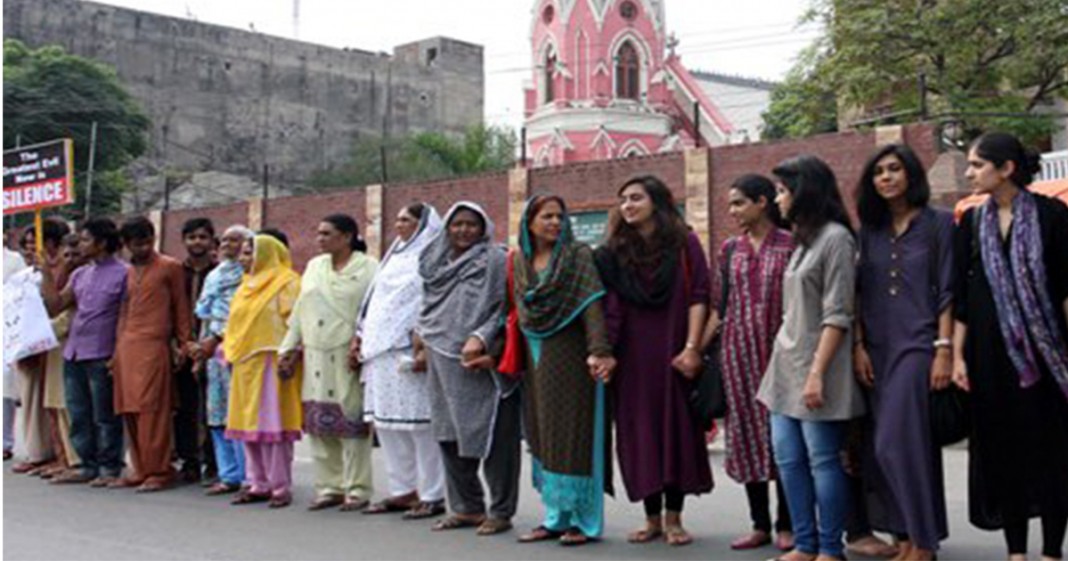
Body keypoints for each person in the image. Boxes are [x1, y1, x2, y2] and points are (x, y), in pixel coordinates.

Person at [953, 132, 1068, 561]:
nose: (970, 173)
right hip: (990, 358)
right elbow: (962, 297)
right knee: (1003, 455)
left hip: (1047, 356)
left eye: (977, 165)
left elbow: (1064, 288)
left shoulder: (1051, 215)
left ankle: (1052, 551)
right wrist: (958, 355)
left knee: (1051, 453)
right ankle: (1015, 551)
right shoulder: (972, 222)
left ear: (1006, 169)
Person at [757, 155, 866, 561]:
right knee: (788, 460)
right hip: (784, 366)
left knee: (822, 460)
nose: (776, 199)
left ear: (805, 192)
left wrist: (817, 374)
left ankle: (827, 548)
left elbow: (838, 312)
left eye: (783, 191)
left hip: (819, 366)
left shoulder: (836, 238)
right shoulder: (802, 239)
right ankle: (803, 544)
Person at [594, 175, 713, 547]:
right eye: (623, 200)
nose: (627, 206)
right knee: (639, 433)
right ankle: (652, 519)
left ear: (657, 202)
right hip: (631, 358)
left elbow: (700, 296)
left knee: (676, 430)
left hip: (675, 352)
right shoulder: (613, 251)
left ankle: (675, 518)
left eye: (636, 198)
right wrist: (606, 352)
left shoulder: (684, 243)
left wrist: (692, 347)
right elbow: (608, 305)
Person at [853, 144, 951, 561]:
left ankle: (923, 541)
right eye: (878, 172)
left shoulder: (939, 224)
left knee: (896, 442)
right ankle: (906, 537)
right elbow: (856, 294)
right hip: (876, 347)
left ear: (911, 174)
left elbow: (947, 289)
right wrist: (858, 346)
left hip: (918, 343)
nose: (886, 178)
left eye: (894, 169)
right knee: (887, 445)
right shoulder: (868, 231)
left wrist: (944, 349)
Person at [512, 195, 616, 546]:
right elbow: (520, 312)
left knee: (575, 435)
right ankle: (554, 517)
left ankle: (584, 521)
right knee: (544, 434)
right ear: (529, 222)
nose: (555, 222)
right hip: (534, 356)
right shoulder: (520, 262)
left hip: (572, 355)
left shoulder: (577, 256)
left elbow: (592, 306)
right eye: (546, 216)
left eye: (559, 216)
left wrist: (599, 351)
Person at [701, 174, 796, 552]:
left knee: (785, 442)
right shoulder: (729, 250)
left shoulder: (791, 245)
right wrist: (696, 349)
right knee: (746, 439)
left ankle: (788, 523)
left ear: (762, 201)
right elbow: (719, 307)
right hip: (738, 357)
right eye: (730, 204)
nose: (733, 211)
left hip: (782, 356)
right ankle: (759, 524)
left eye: (739, 203)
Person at [416, 202, 520, 536]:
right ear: (446, 227)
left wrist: (480, 336)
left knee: (494, 439)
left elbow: (504, 307)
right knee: (449, 435)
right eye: (457, 224)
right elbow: (428, 305)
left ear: (484, 228)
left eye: (471, 225)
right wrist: (421, 335)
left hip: (480, 361)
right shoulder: (434, 263)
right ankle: (466, 508)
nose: (464, 230)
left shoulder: (496, 260)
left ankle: (501, 511)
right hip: (441, 359)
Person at [279, 214, 378, 511]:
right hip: (315, 351)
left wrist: (363, 343)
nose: (319, 238)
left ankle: (357, 489)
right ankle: (329, 486)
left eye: (326, 233)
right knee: (320, 422)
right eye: (318, 233)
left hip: (348, 352)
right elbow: (300, 310)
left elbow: (375, 310)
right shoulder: (314, 267)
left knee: (352, 420)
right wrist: (288, 347)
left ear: (347, 236)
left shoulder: (369, 268)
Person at [357, 203, 447, 519]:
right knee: (389, 426)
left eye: (406, 219)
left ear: (423, 224)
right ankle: (402, 490)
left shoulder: (433, 256)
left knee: (421, 426)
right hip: (379, 352)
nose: (399, 224)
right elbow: (375, 300)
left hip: (409, 349)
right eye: (396, 219)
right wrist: (361, 333)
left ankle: (434, 494)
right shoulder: (394, 255)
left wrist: (424, 343)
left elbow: (433, 299)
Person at [41, 219, 126, 486]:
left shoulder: (124, 273)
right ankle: (86, 464)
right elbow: (55, 306)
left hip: (102, 352)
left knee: (104, 415)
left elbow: (127, 317)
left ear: (102, 243)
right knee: (79, 412)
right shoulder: (80, 274)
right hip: (74, 353)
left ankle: (109, 467)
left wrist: (119, 354)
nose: (81, 244)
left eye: (86, 239)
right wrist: (46, 273)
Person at [110, 217, 192, 492]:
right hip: (127, 347)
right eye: (136, 244)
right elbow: (124, 311)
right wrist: (116, 350)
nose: (142, 248)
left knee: (152, 409)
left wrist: (183, 343)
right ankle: (141, 468)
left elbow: (181, 307)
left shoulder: (170, 267)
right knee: (129, 409)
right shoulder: (128, 272)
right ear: (126, 245)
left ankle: (160, 470)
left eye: (147, 241)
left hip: (154, 346)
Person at [225, 235, 303, 509]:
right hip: (244, 361)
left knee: (274, 424)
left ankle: (280, 486)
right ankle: (257, 483)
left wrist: (290, 354)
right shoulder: (245, 285)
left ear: (267, 254)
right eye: (243, 253)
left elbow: (295, 321)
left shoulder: (287, 281)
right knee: (248, 424)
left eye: (249, 253)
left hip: (273, 358)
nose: (242, 258)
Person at [193, 225, 254, 496]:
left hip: (238, 349)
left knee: (239, 414)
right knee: (217, 415)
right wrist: (201, 348)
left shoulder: (250, 275)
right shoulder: (215, 275)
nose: (228, 244)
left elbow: (242, 317)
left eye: (235, 240)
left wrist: (217, 337)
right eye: (226, 240)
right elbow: (206, 313)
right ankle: (228, 474)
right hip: (212, 353)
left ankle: (247, 475)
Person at [11, 218, 69, 476]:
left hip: (53, 343)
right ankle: (39, 452)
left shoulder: (62, 269)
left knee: (54, 401)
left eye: (36, 243)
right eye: (26, 244)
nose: (29, 249)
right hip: (28, 344)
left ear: (52, 244)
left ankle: (58, 455)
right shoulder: (25, 273)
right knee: (33, 399)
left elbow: (57, 307)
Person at [175, 217, 218, 484]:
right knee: (184, 408)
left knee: (212, 408)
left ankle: (213, 463)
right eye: (192, 238)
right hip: (182, 349)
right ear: (184, 241)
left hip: (213, 348)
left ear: (212, 241)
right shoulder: (176, 272)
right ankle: (189, 461)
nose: (197, 242)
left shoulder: (221, 273)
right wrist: (180, 345)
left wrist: (207, 344)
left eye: (202, 237)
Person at [4, 245, 28, 461]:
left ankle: (5, 441)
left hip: (7, 328)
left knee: (5, 387)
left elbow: (21, 290)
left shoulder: (13, 260)